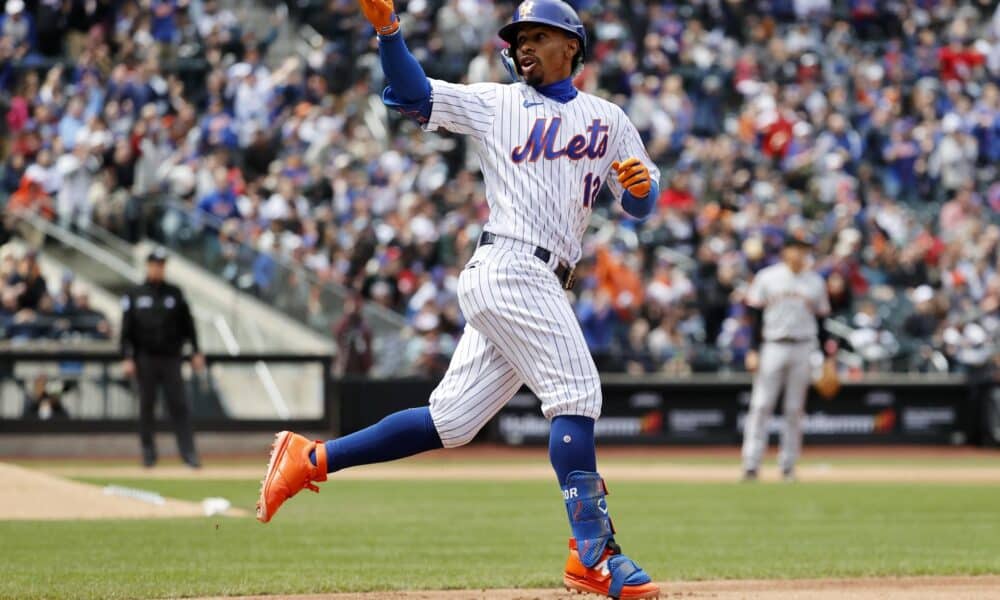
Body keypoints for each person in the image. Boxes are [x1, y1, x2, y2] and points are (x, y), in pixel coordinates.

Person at [256, 1, 661, 598]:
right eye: (518, 36)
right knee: (577, 393)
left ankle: (310, 459)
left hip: (538, 279)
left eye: (537, 36)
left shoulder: (609, 118)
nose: (523, 45)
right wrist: (389, 33)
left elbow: (641, 200)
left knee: (451, 423)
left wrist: (643, 189)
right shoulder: (497, 103)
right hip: (510, 264)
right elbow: (413, 92)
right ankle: (596, 555)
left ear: (571, 45)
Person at [741, 232, 833, 482]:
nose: (800, 254)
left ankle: (788, 465)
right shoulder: (767, 277)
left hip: (804, 346)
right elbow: (755, 317)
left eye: (804, 249)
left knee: (794, 409)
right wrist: (752, 349)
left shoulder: (815, 281)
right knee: (761, 406)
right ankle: (751, 464)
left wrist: (827, 357)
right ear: (785, 251)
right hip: (772, 345)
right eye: (796, 248)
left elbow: (823, 322)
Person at [120, 247, 204, 468]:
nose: (159, 268)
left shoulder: (175, 293)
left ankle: (189, 454)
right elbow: (126, 330)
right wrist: (127, 357)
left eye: (162, 265)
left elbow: (189, 325)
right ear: (148, 266)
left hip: (171, 358)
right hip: (145, 358)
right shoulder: (135, 294)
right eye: (155, 264)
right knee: (146, 407)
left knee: (179, 405)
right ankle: (149, 454)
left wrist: (195, 351)